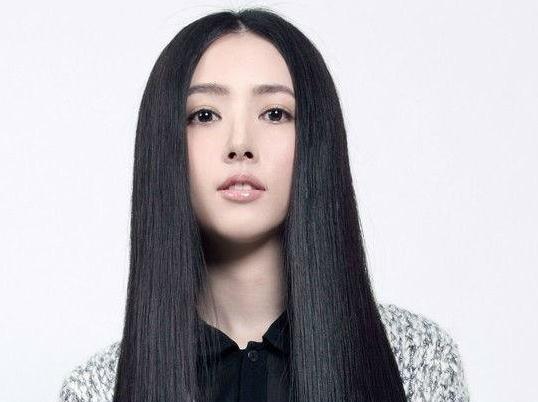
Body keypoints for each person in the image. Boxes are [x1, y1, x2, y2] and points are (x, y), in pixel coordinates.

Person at [58, 7, 470, 402]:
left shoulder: (415, 360)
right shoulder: (99, 389)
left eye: (274, 113)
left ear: (315, 139)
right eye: (205, 115)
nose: (240, 144)